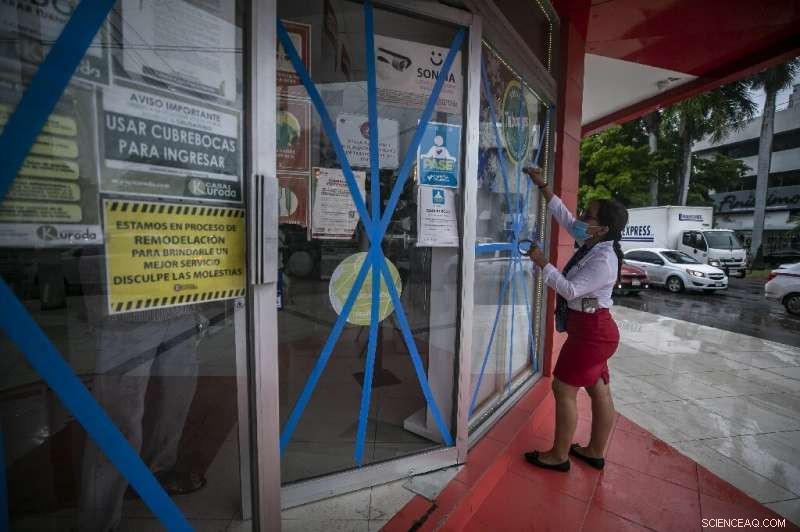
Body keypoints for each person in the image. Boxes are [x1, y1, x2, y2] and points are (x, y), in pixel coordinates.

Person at [521, 166, 628, 472]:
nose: (579, 218)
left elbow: (569, 290)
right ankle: (594, 451)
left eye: (587, 215)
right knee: (598, 388)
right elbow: (565, 218)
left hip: (592, 335)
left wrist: (543, 263)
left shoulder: (604, 259)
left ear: (602, 228)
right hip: (594, 330)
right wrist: (542, 184)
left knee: (563, 389)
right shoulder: (593, 243)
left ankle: (558, 456)